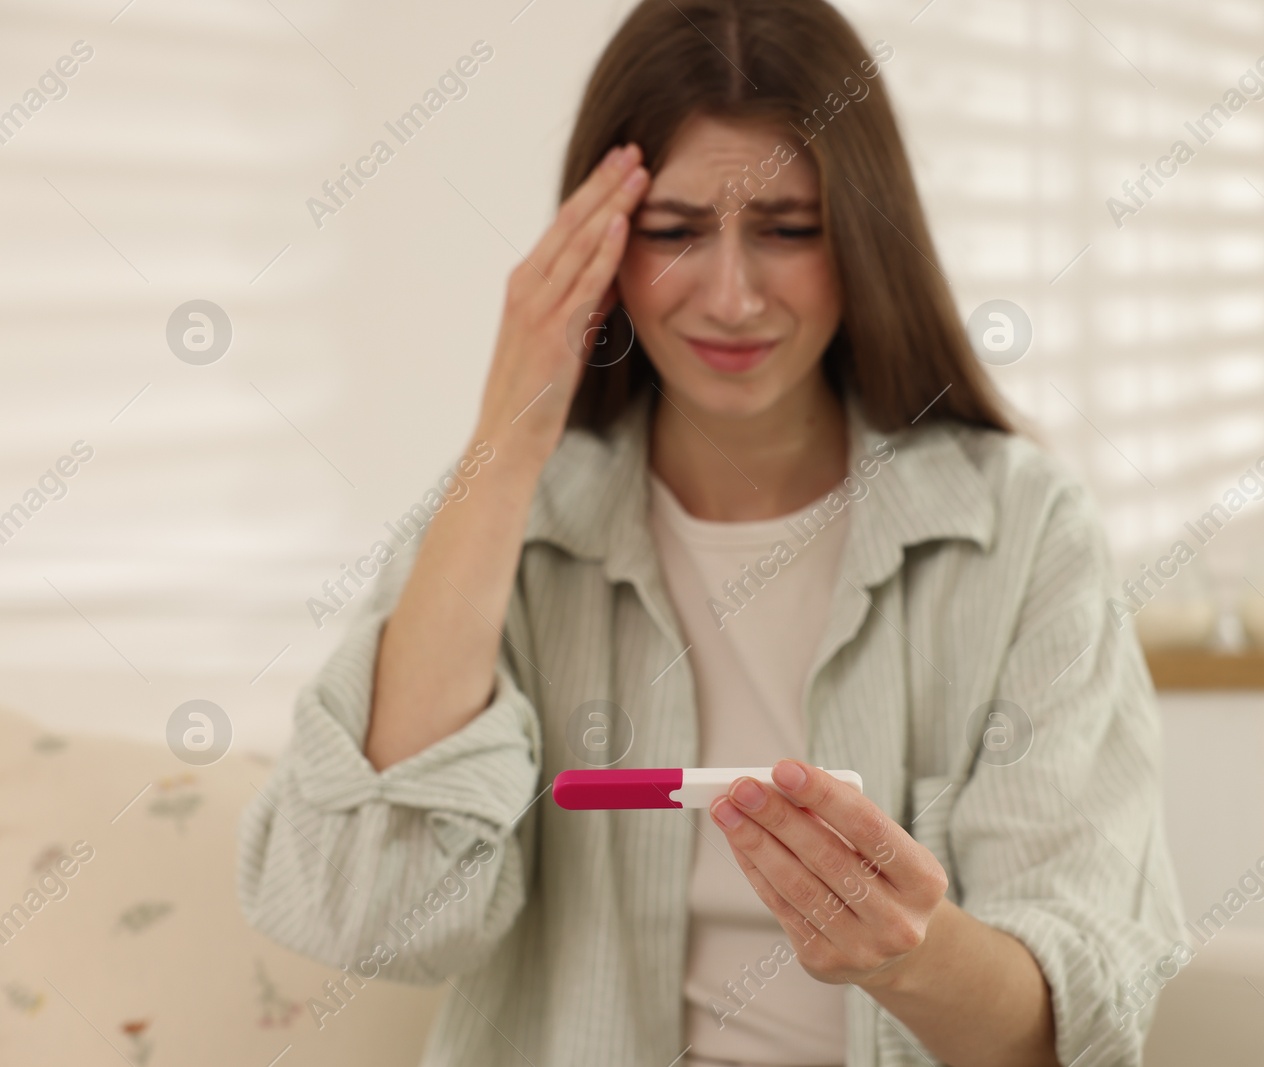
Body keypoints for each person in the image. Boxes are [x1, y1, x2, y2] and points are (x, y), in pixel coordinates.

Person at [237, 1, 1184, 1064]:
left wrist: (905, 953)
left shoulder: (1020, 529)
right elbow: (370, 913)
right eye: (673, 229)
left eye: (786, 228)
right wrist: (505, 443)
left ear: (863, 235)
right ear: (596, 247)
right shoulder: (504, 526)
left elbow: (1078, 1028)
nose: (730, 295)